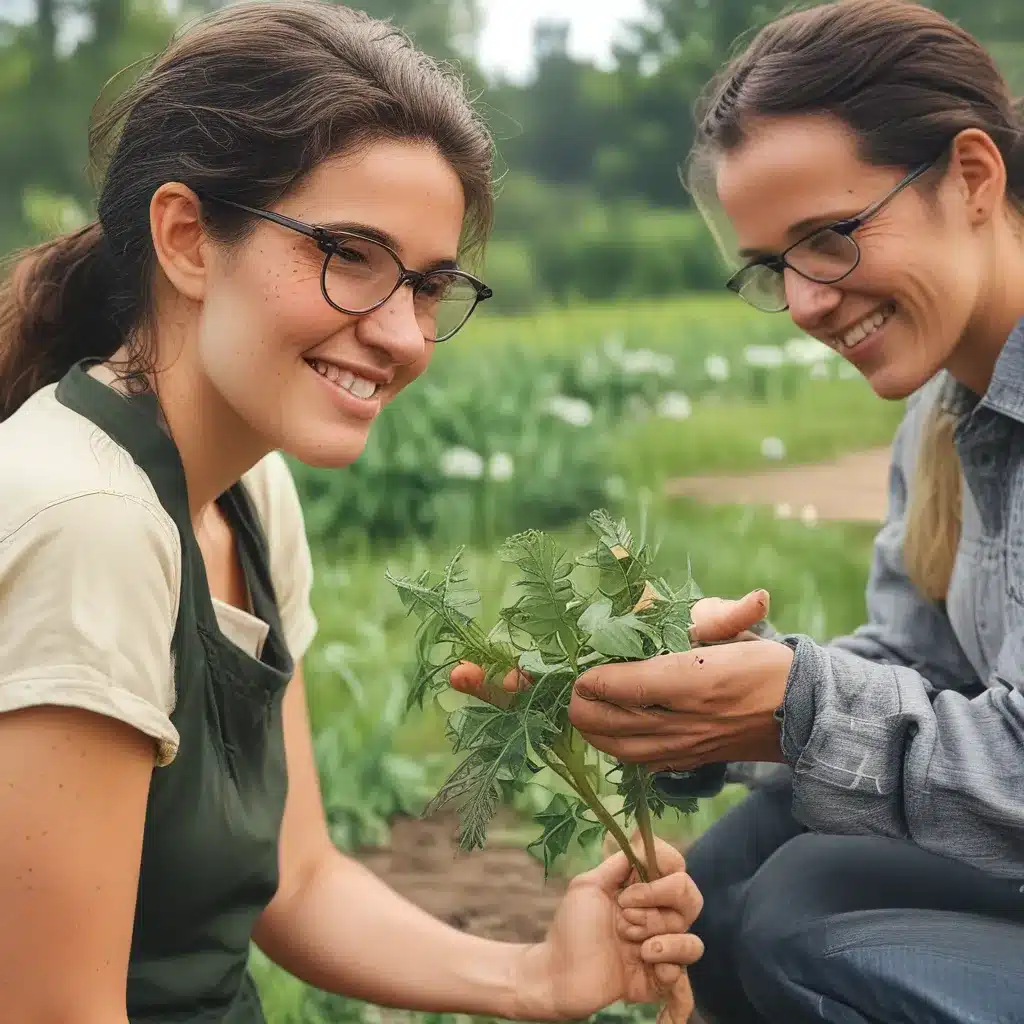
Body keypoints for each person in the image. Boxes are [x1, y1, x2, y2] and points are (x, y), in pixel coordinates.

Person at [0, 2, 705, 1021]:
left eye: (428, 284)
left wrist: (536, 975)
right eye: (350, 255)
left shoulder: (245, 489)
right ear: (188, 239)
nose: (403, 334)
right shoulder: (88, 522)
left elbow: (298, 880)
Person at [454, 1, 1024, 1021]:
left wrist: (795, 708)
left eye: (829, 237)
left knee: (800, 925)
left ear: (971, 178)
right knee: (718, 885)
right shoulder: (945, 416)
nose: (804, 302)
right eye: (773, 266)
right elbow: (933, 670)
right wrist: (714, 704)